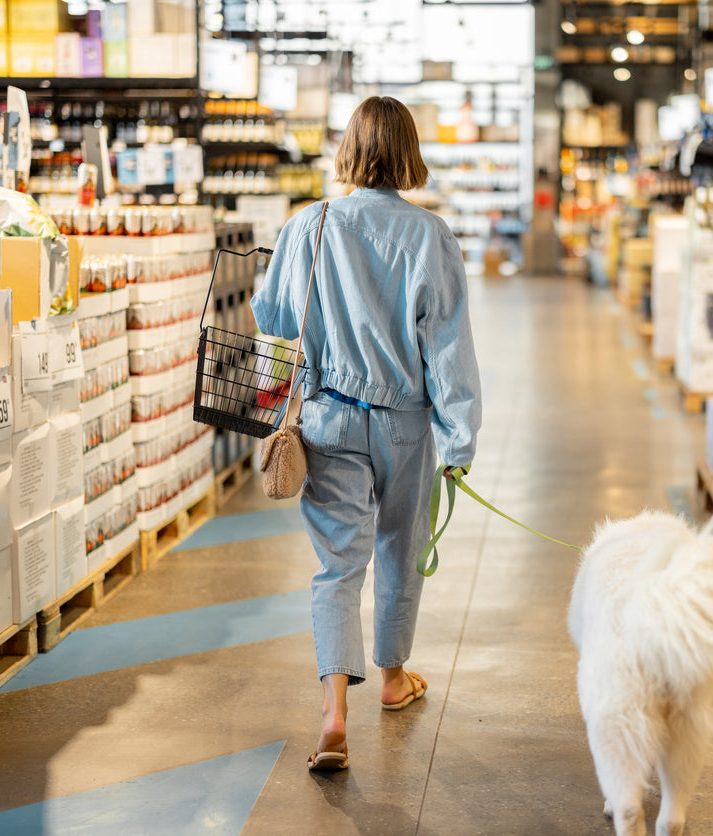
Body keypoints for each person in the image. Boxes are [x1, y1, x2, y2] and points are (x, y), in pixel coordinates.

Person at [250, 96, 482, 772]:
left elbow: (272, 312)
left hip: (327, 416)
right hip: (406, 421)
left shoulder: (309, 224)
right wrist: (459, 440)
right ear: (409, 151)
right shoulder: (429, 234)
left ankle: (332, 710)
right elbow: (447, 346)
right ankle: (390, 679)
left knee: (336, 566)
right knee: (400, 551)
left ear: (348, 148)